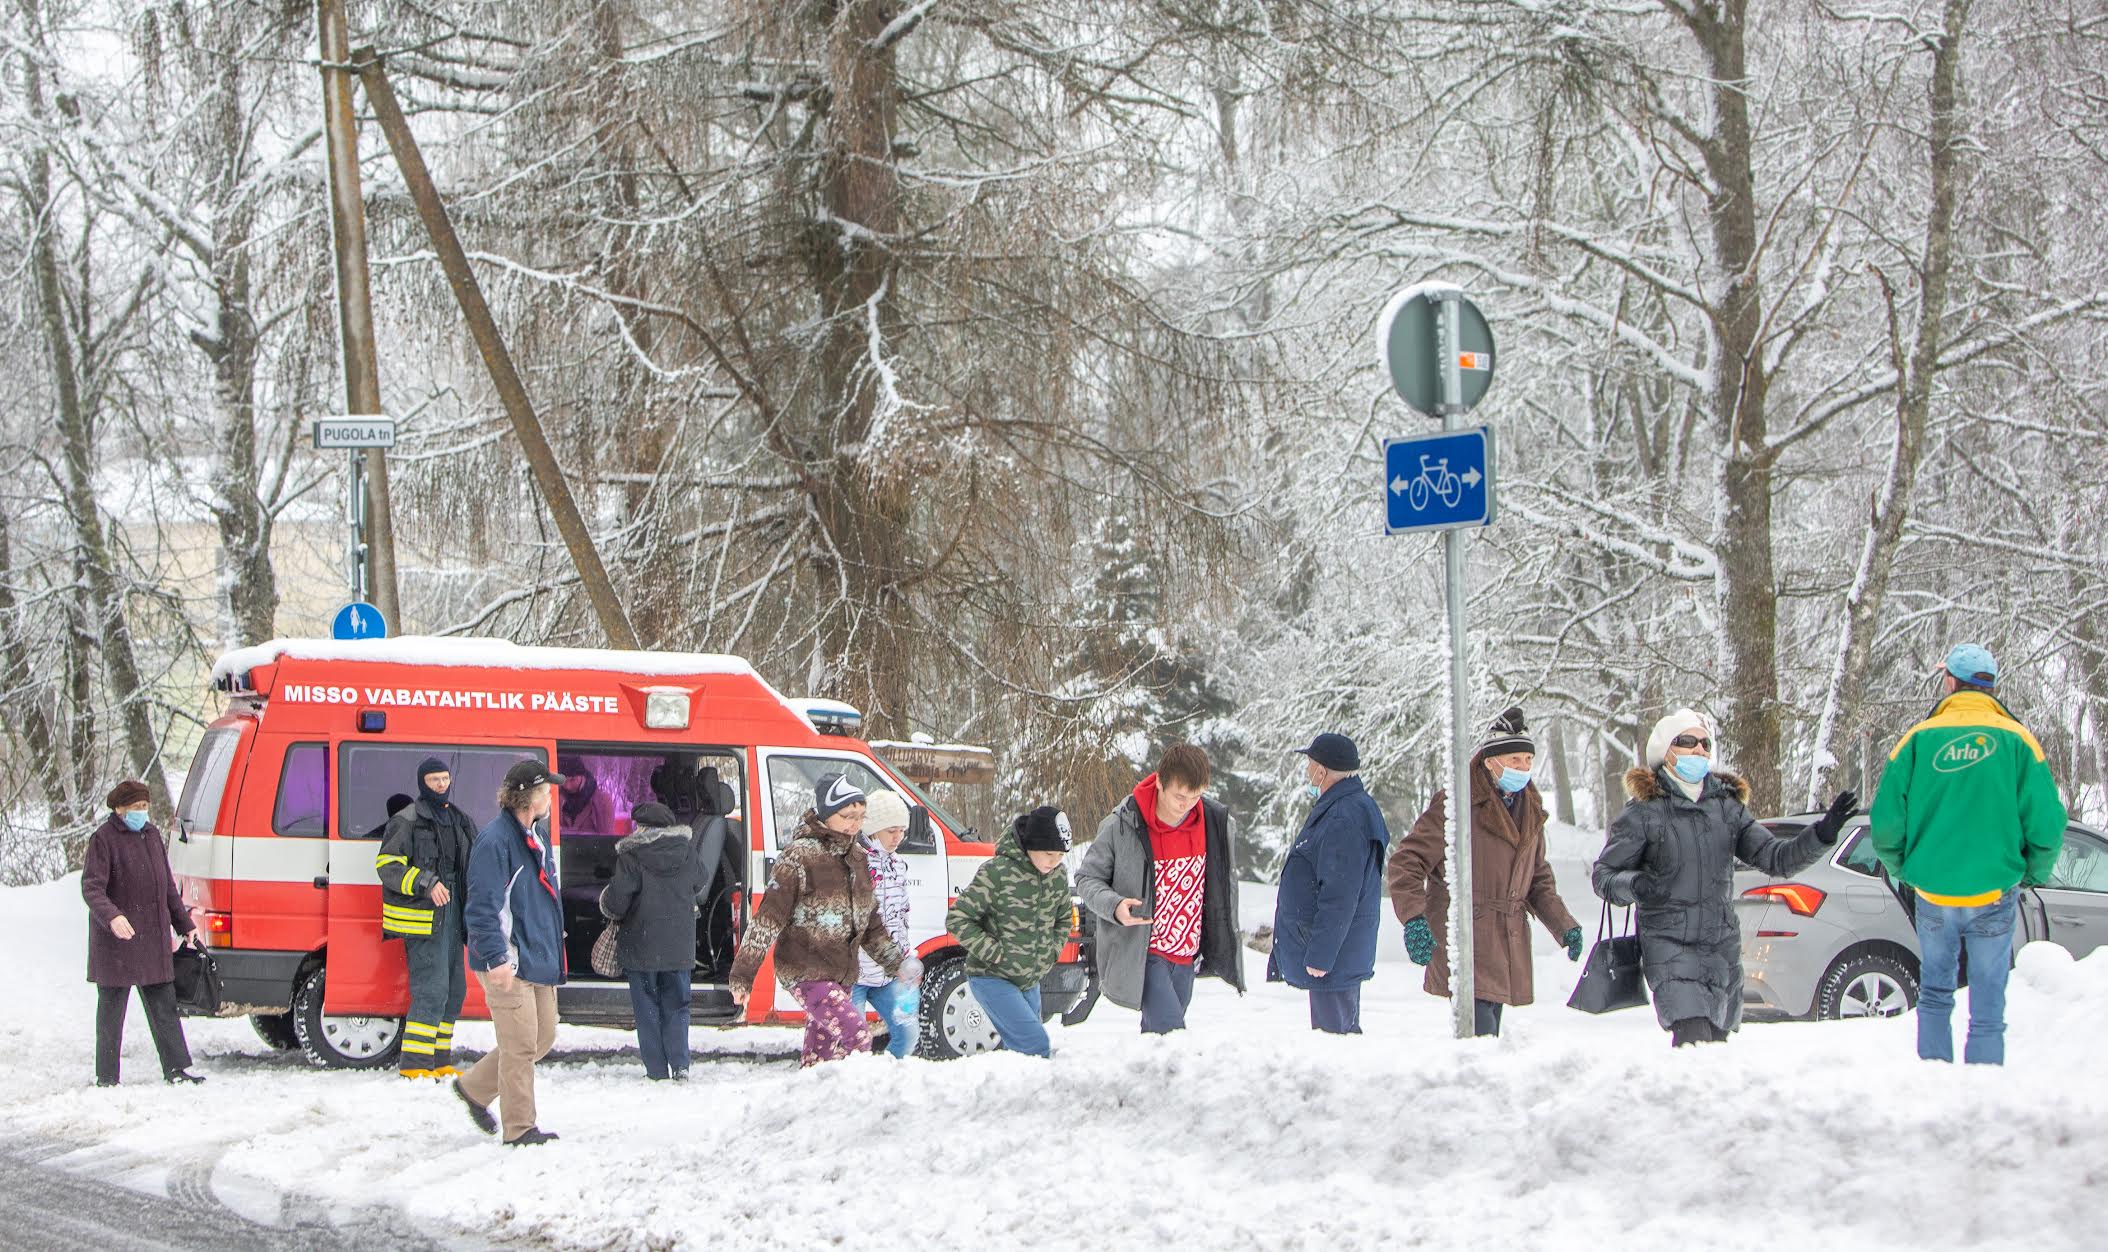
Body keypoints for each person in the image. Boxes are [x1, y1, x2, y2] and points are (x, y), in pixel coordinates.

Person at [1593, 709, 1855, 1047]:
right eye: (1687, 742)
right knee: (1693, 1036)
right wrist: (1635, 885)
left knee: (1713, 1051)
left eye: (1705, 743)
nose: (1700, 750)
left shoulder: (1726, 808)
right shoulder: (1645, 811)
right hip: (1669, 945)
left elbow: (1777, 859)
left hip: (1721, 950)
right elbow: (1604, 876)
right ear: (1665, 752)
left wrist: (1822, 832)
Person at [1869, 644, 2066, 1065]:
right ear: (1991, 687)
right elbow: (2048, 823)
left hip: (1935, 894)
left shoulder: (1916, 740)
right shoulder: (2019, 741)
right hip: (1994, 892)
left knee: (1936, 994)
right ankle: (1983, 1092)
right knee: (1988, 1005)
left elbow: (1885, 822)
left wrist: (1904, 868)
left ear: (1951, 684)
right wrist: (2032, 872)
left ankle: (1936, 1087)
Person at [1388, 707, 1583, 1038]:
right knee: (1479, 1038)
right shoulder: (1458, 804)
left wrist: (1564, 926)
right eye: (1514, 759)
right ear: (1490, 760)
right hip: (1467, 941)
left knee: (1487, 1039)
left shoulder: (1530, 810)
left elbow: (1537, 878)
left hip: (1506, 941)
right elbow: (1407, 861)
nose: (1523, 768)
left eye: (1527, 760)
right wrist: (1414, 919)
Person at [729, 774, 913, 1067]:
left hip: (842, 974)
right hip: (806, 970)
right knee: (857, 1037)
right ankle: (854, 1103)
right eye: (847, 816)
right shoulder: (799, 857)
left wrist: (897, 964)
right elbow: (767, 920)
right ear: (827, 815)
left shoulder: (858, 857)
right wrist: (742, 977)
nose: (854, 824)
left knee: (825, 1057)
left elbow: (872, 926)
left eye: (860, 817)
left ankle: (813, 1100)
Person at [1076, 744, 1244, 1035]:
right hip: (1146, 951)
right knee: (1173, 1034)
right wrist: (1114, 905)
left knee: (1158, 1042)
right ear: (1159, 782)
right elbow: (1087, 878)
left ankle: (1145, 1079)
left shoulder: (1213, 822)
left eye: (1196, 796)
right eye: (1180, 796)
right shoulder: (1122, 824)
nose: (1187, 804)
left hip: (1187, 955)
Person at [457, 759, 567, 1146]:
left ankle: (473, 1088)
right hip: (509, 960)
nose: (551, 796)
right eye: (546, 791)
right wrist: (496, 960)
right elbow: (482, 907)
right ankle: (520, 1129)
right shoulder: (495, 841)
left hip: (537, 958)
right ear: (530, 799)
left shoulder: (535, 834)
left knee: (542, 1038)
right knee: (520, 1047)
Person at [81, 780, 206, 1086]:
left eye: (145, 807)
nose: (142, 813)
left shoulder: (151, 836)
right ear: (119, 809)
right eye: (136, 808)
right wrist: (112, 917)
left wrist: (185, 925)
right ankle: (107, 1077)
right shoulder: (104, 839)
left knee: (164, 1006)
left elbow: (166, 887)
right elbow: (92, 888)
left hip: (152, 938)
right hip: (117, 942)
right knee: (111, 1012)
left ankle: (176, 1068)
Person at [1269, 733, 1390, 1034]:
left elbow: (1340, 892)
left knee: (1335, 1040)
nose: (1308, 771)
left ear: (1322, 771)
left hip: (1334, 959)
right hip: (1339, 954)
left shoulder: (1343, 816)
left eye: (1310, 764)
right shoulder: (1346, 807)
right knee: (1336, 1036)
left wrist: (1322, 954)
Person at [375, 757, 478, 1078]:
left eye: (445, 779)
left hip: (454, 913)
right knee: (431, 990)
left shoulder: (458, 819)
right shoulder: (406, 821)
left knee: (454, 990)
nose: (442, 785)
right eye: (435, 780)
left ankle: (439, 1060)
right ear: (423, 783)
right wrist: (425, 883)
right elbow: (387, 867)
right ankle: (415, 1066)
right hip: (424, 918)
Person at [947, 805, 1076, 1058]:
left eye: (1061, 855)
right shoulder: (997, 873)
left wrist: (1051, 951)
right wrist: (995, 953)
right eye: (1049, 853)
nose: (1055, 861)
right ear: (1031, 845)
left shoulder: (1057, 876)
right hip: (991, 976)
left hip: (1029, 980)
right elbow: (958, 919)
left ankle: (1012, 1096)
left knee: (1018, 1056)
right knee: (1034, 1045)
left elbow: (1063, 919)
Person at [598, 801, 707, 1080]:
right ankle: (680, 1065)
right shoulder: (687, 852)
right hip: (678, 947)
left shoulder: (632, 856)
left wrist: (605, 903)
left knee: (647, 1008)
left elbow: (616, 902)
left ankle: (656, 1070)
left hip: (641, 946)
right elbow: (701, 879)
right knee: (677, 1004)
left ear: (642, 827)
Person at [852, 789, 920, 1058]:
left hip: (889, 973)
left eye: (902, 830)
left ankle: (884, 1083)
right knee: (853, 1043)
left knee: (908, 1034)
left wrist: (905, 957)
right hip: (855, 974)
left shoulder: (898, 865)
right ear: (873, 828)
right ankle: (850, 1090)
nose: (898, 837)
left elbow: (901, 915)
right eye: (891, 830)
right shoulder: (854, 863)